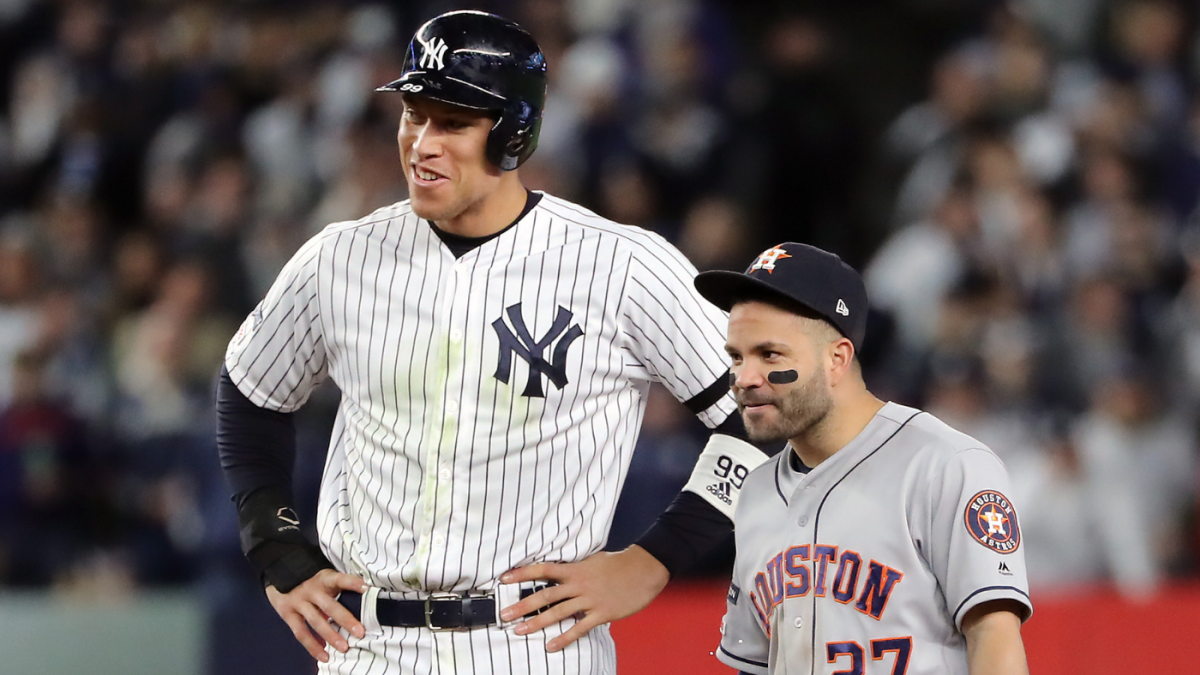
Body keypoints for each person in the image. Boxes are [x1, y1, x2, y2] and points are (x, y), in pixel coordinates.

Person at [214, 10, 768, 674]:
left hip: (531, 643)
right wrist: (273, 542)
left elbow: (761, 415)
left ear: (514, 134)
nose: (421, 143)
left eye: (452, 123)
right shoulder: (339, 258)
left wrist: (656, 559)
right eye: (413, 115)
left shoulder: (621, 266)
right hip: (367, 645)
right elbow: (250, 390)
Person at [692, 243, 1032, 674]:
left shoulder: (945, 465)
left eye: (769, 354)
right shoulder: (756, 492)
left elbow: (994, 637)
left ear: (837, 359)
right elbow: (754, 665)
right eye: (736, 357)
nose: (744, 379)